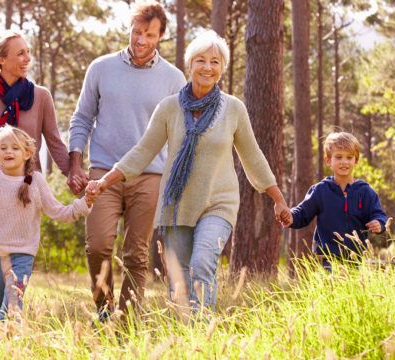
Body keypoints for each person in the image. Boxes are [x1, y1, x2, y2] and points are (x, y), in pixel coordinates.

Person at [86, 30, 290, 312]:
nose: (208, 67)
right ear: (190, 65)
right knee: (179, 280)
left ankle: (201, 334)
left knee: (203, 262)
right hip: (178, 205)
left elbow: (253, 157)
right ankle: (185, 336)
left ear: (222, 68)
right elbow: (143, 151)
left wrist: (278, 198)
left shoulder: (234, 109)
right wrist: (105, 180)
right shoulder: (169, 108)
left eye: (215, 62)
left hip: (218, 203)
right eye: (201, 60)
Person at [68, 0, 186, 318]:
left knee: (136, 253)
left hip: (150, 175)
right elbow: (82, 118)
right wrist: (75, 163)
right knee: (98, 245)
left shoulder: (174, 79)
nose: (140, 40)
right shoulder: (101, 68)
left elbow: (178, 133)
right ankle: (104, 310)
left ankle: (129, 320)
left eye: (149, 34)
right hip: (103, 171)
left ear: (160, 35)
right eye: (136, 32)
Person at [0, 30, 75, 306]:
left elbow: (55, 142)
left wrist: (72, 174)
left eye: (28, 52)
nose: (27, 58)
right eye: (20, 53)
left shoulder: (40, 96)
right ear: (1, 60)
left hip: (25, 190)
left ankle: (11, 316)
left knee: (20, 260)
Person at [0, 126, 91, 317]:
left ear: (27, 153)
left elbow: (58, 212)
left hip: (23, 255)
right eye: (3, 148)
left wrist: (84, 203)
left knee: (12, 307)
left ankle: (10, 338)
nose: (9, 152)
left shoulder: (36, 182)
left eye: (15, 148)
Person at [285, 132, 388, 269]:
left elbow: (378, 214)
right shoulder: (321, 190)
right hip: (327, 258)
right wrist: (290, 217)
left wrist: (379, 224)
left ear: (355, 161)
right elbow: (303, 213)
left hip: (356, 258)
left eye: (349, 157)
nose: (344, 162)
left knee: (352, 290)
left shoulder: (365, 191)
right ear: (328, 161)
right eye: (338, 157)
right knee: (330, 288)